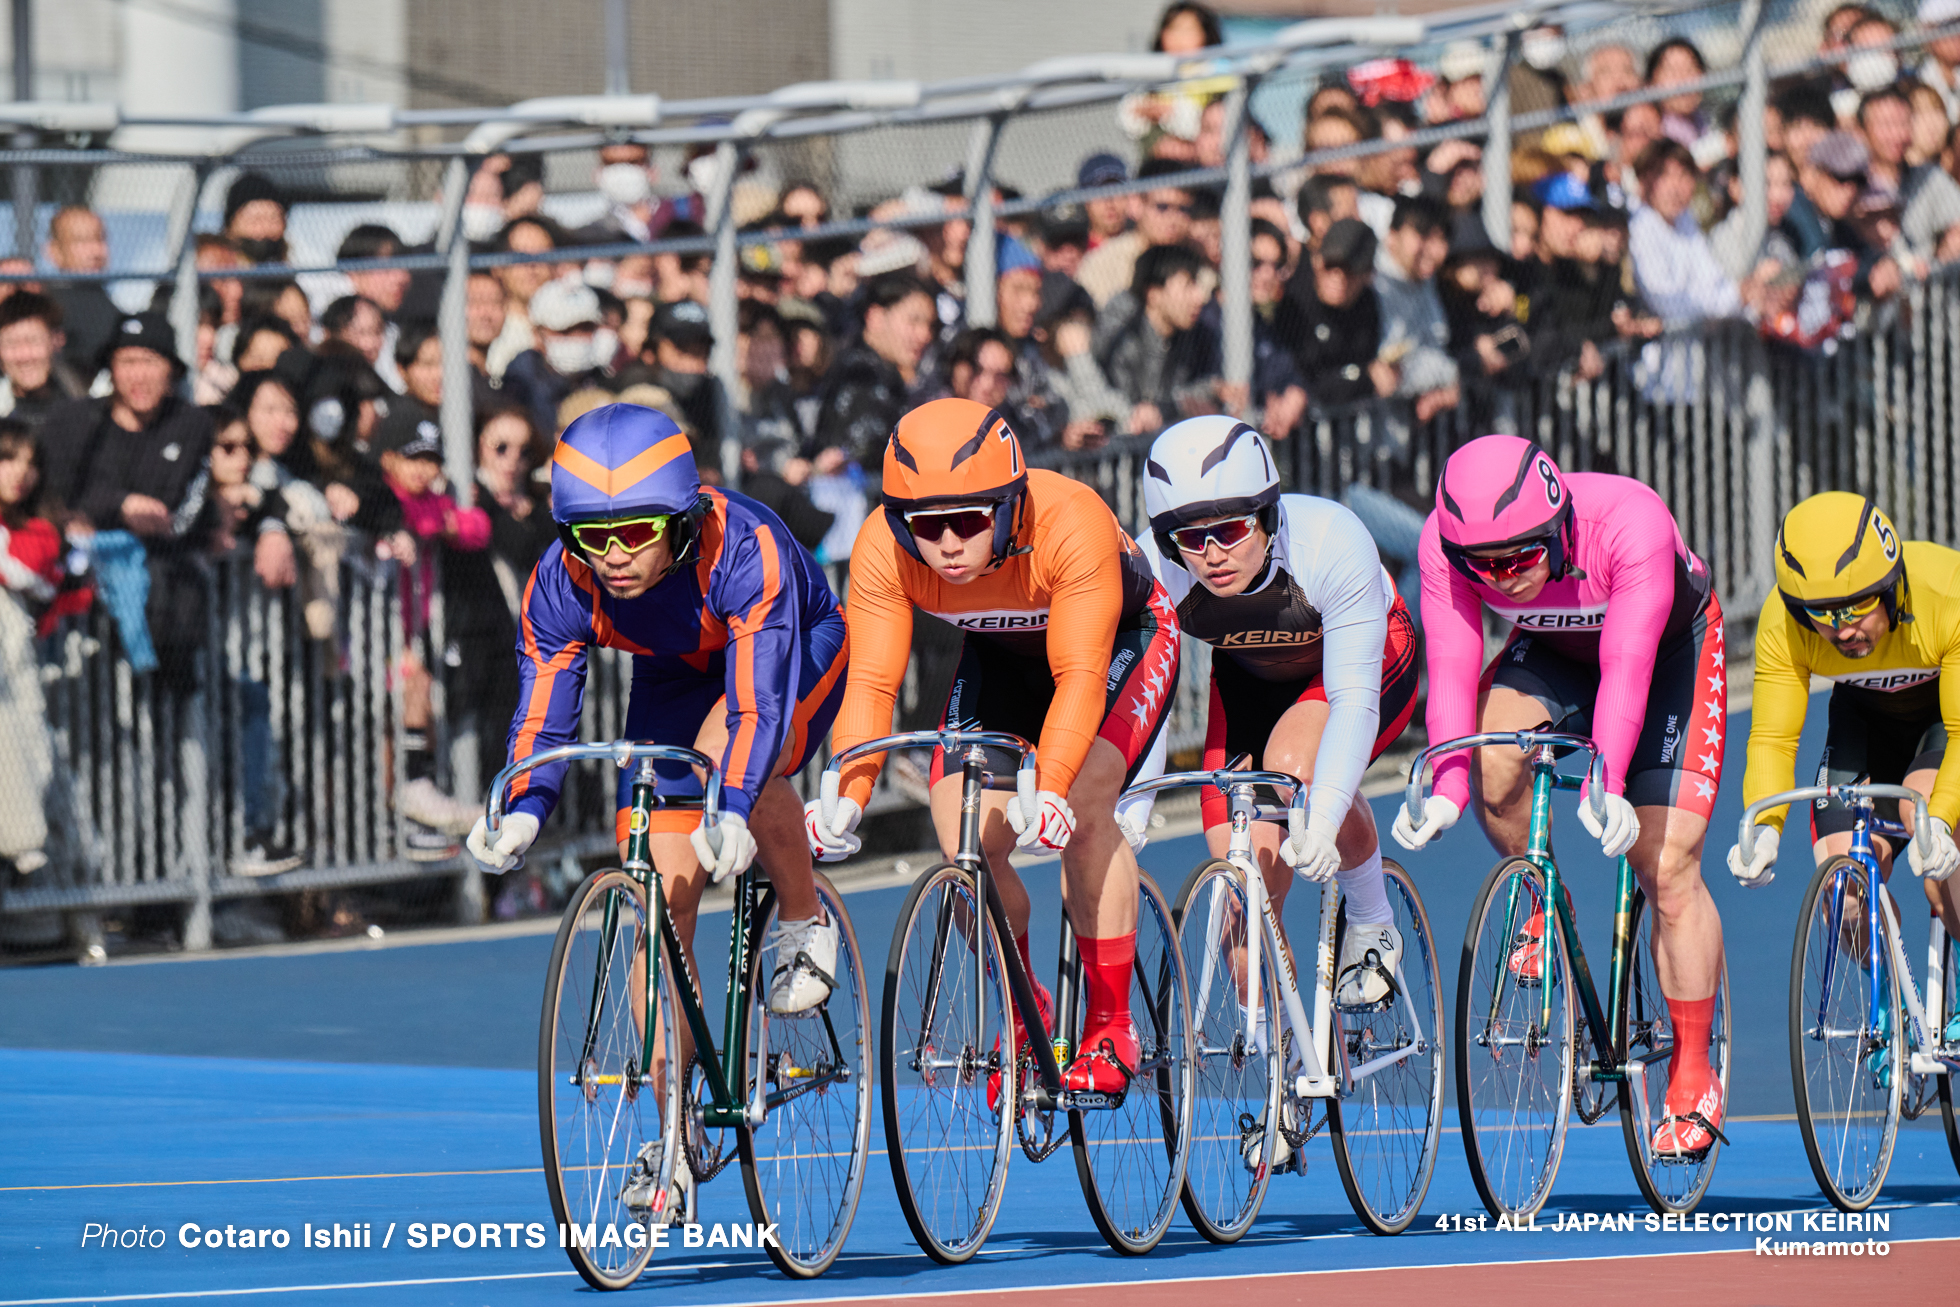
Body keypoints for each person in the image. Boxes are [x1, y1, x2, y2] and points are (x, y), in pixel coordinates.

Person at [467, 404, 850, 1214]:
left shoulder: (744, 551)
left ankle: (802, 913)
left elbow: (753, 709)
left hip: (790, 645)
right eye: (590, 535)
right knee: (654, 908)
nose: (611, 556)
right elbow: (543, 709)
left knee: (729, 763)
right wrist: (523, 805)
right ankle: (676, 1133)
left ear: (680, 520)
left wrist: (735, 803)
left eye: (635, 531)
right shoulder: (561, 579)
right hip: (675, 674)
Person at [810, 398, 1181, 1099]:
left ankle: (1110, 1022)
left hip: (1118, 644)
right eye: (926, 525)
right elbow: (870, 682)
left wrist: (1054, 783)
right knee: (964, 849)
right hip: (1001, 660)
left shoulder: (1071, 521)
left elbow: (1077, 676)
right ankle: (1024, 1011)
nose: (947, 543)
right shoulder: (882, 550)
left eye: (969, 520)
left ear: (1010, 507)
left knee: (1084, 804)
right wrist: (847, 796)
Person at [1393, 435, 1731, 1160]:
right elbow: (1451, 668)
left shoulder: (1628, 523)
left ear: (1558, 528)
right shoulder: (1443, 543)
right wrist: (1447, 786)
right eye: (1482, 566)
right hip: (1551, 653)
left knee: (1666, 866)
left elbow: (1628, 665)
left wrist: (1607, 778)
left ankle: (1695, 1068)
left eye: (1520, 558)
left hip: (1667, 654)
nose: (1502, 578)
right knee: (1491, 768)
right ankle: (1547, 901)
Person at [1133, 416, 1415, 1167]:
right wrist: (1132, 803)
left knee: (1298, 765)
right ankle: (1289, 1076)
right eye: (1188, 538)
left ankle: (1373, 914)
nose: (1211, 554)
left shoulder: (1329, 541)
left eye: (1228, 529)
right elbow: (1147, 692)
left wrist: (1322, 815)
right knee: (1240, 886)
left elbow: (1353, 698)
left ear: (1265, 512)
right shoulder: (1157, 569)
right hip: (1250, 685)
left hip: (1361, 664)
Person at [1729, 495, 1960, 1042]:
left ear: (1889, 587)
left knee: (1924, 826)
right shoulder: (1784, 623)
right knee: (1843, 895)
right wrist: (1763, 826)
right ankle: (1894, 1014)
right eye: (1822, 617)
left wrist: (1944, 819)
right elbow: (1771, 737)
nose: (1841, 631)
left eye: (1854, 609)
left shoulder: (1944, 597)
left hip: (1941, 722)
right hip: (1863, 723)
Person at [43, 206, 118, 382]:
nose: (95, 252)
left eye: (100, 239)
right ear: (53, 251)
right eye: (81, 241)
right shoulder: (48, 306)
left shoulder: (104, 299)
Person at [0, 293, 87, 426]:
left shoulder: (88, 408)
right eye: (11, 344)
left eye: (33, 341)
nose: (24, 356)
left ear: (57, 341)